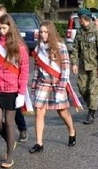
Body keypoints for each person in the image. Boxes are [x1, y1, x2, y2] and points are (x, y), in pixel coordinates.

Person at [0, 13, 29, 168]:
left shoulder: (19, 46)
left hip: (12, 89)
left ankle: (9, 155)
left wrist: (22, 93)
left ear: (10, 27)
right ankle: (11, 140)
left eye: (4, 28)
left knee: (9, 122)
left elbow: (24, 70)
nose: (2, 30)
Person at [29, 20, 76, 152]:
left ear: (51, 32)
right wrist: (33, 88)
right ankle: (39, 143)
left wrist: (61, 89)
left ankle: (72, 131)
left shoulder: (61, 47)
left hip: (57, 83)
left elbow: (65, 69)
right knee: (39, 112)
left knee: (62, 112)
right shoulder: (38, 49)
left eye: (46, 32)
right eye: (41, 32)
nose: (43, 35)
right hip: (43, 83)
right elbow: (36, 70)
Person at [70, 9, 98, 124]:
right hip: (83, 66)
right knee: (81, 87)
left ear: (83, 19)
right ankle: (93, 105)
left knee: (92, 89)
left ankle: (91, 112)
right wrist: (74, 63)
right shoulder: (80, 32)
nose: (78, 21)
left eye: (79, 18)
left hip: (95, 66)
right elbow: (75, 49)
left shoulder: (97, 32)